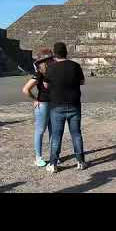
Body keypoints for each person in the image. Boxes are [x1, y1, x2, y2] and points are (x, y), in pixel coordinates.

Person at [44, 42, 88, 173]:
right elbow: (82, 82)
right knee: (76, 134)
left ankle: (53, 164)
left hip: (57, 106)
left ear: (54, 54)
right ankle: (80, 161)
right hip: (74, 105)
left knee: (56, 136)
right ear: (66, 52)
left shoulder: (50, 68)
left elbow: (45, 85)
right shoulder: (75, 66)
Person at [22, 48, 54, 167]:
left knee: (53, 131)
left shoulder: (53, 72)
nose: (52, 61)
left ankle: (53, 156)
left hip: (53, 103)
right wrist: (35, 99)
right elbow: (25, 89)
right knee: (40, 131)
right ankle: (38, 157)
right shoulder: (39, 74)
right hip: (44, 104)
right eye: (50, 59)